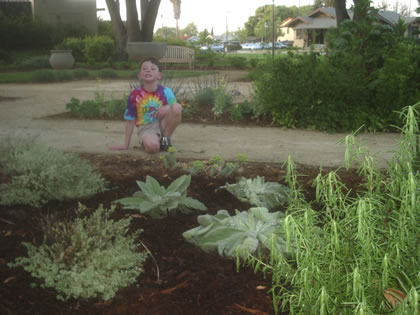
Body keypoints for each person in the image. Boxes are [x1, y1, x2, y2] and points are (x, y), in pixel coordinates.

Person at [109, 57, 182, 153]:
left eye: (152, 69)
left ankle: (165, 140)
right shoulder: (135, 95)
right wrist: (125, 145)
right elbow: (130, 121)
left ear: (159, 75)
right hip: (146, 128)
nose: (148, 70)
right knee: (153, 147)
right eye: (144, 68)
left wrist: (168, 107)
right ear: (140, 75)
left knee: (176, 107)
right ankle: (153, 141)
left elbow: (177, 110)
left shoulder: (166, 91)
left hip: (163, 123)